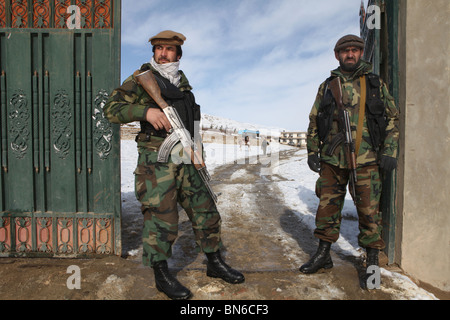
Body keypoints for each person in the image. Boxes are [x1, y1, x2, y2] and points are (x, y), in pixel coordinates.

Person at [103, 30, 244, 300]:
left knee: (206, 211)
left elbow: (193, 123)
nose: (162, 53)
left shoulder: (183, 87)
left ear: (178, 54)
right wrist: (145, 111)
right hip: (157, 160)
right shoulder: (140, 80)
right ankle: (161, 274)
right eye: (158, 48)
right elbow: (111, 109)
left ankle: (214, 262)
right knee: (161, 217)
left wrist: (198, 151)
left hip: (187, 157)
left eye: (168, 49)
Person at [301, 34, 399, 288]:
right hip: (333, 161)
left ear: (361, 53)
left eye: (355, 50)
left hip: (366, 160)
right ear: (337, 55)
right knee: (327, 209)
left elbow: (392, 119)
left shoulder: (375, 83)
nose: (350, 54)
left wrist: (389, 151)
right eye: (345, 51)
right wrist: (313, 151)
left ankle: (373, 262)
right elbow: (314, 120)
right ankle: (323, 254)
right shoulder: (327, 85)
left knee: (368, 211)